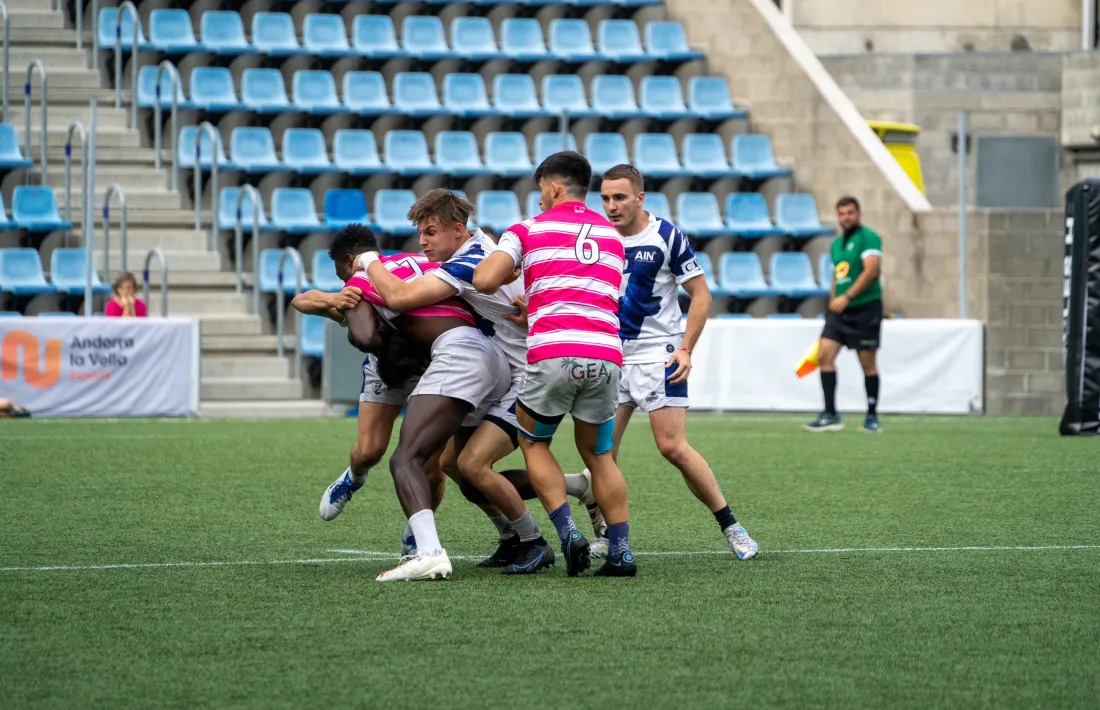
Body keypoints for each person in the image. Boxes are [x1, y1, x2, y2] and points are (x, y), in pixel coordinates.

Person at [359, 188, 608, 572]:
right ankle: (568, 493)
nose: (422, 241)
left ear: (458, 230)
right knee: (455, 465)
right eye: (420, 233)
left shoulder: (471, 262)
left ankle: (533, 542)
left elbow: (398, 297)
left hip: (527, 377)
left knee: (474, 465)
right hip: (504, 373)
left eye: (431, 232)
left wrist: (367, 261)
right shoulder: (483, 251)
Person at [473, 151, 637, 578]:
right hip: (605, 353)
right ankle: (620, 551)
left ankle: (568, 533)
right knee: (600, 455)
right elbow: (595, 294)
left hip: (554, 353)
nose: (540, 198)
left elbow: (484, 280)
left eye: (541, 190)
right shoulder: (614, 237)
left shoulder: (527, 229)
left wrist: (514, 272)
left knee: (534, 444)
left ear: (553, 186)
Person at [600, 164, 758, 560]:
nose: (611, 206)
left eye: (619, 197)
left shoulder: (666, 235)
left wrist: (685, 348)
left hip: (659, 355)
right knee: (602, 453)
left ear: (639, 197)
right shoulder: (597, 238)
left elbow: (701, 296)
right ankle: (605, 533)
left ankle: (731, 526)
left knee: (673, 447)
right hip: (610, 356)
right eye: (604, 198)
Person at [804, 195, 884, 434]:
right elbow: (837, 277)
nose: (846, 217)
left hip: (865, 308)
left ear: (858, 213)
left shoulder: (869, 237)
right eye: (842, 213)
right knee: (824, 355)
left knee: (867, 363)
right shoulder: (837, 244)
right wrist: (832, 302)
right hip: (839, 312)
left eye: (850, 212)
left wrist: (847, 296)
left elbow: (872, 271)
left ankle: (872, 417)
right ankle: (831, 414)